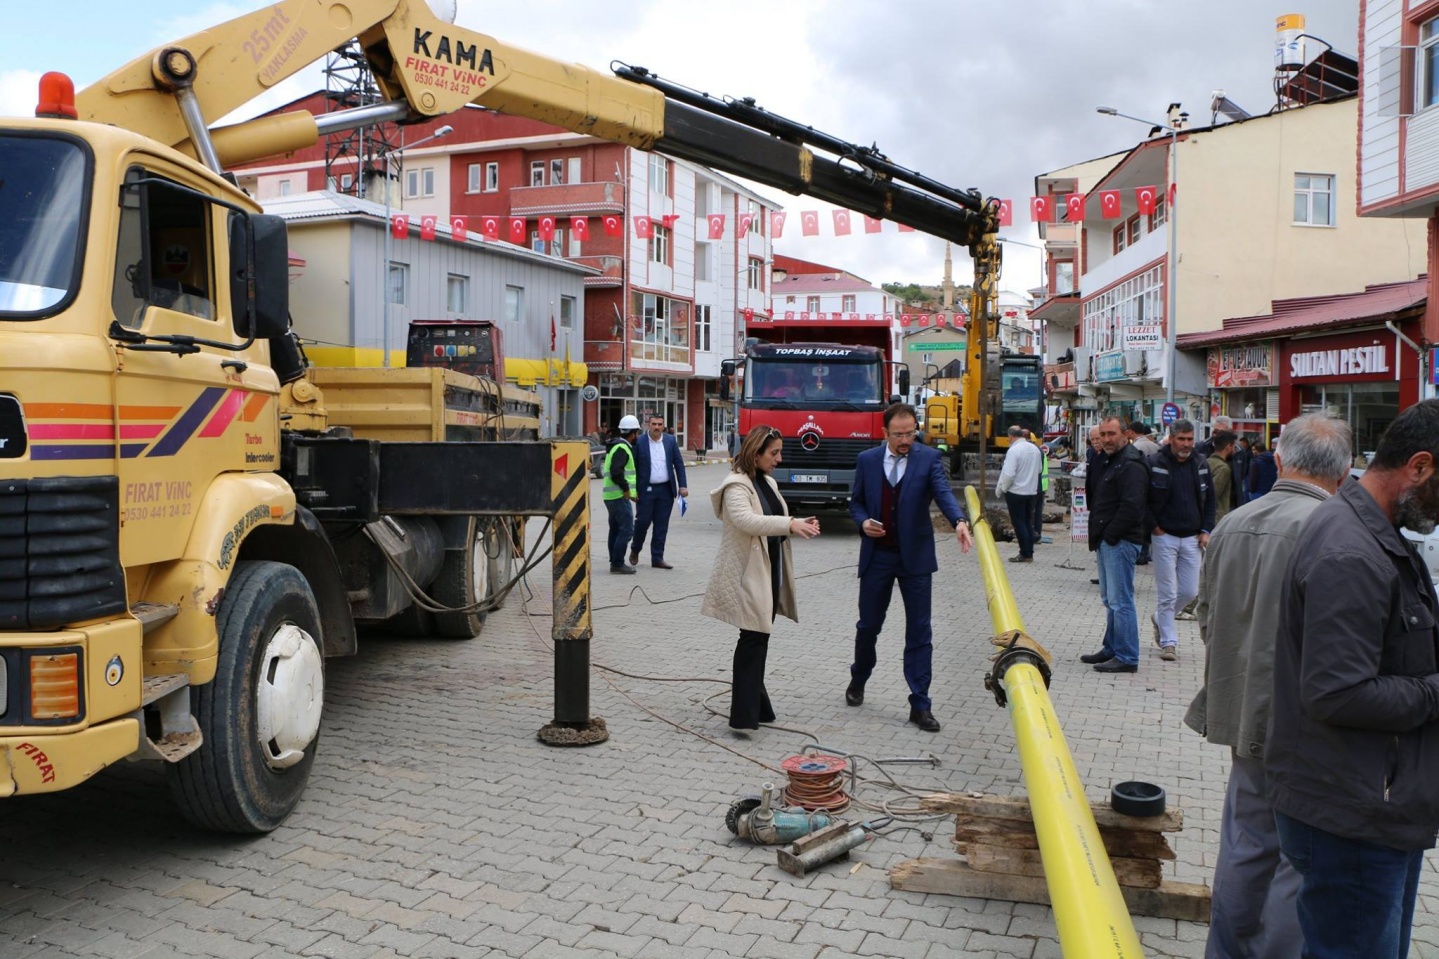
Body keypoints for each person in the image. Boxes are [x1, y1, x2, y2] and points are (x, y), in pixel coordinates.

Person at [1268, 399, 1439, 958]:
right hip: (1353, 816)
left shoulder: (1376, 535)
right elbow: (1338, 692)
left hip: (1371, 806)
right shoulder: (1352, 550)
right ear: (1419, 467)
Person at [1185, 413, 1352, 959]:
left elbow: (1207, 619)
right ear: (1346, 474)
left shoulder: (1234, 523)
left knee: (1245, 845)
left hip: (1241, 713)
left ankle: (1225, 951)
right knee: (1296, 862)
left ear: (1279, 460)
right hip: (1304, 725)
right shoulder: (1335, 529)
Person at [846, 402, 973, 731]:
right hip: (878, 557)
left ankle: (920, 703)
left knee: (919, 631)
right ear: (884, 433)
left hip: (915, 558)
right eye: (899, 434)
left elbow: (943, 492)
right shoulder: (868, 461)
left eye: (911, 432)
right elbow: (856, 501)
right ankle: (859, 677)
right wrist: (862, 523)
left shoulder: (929, 459)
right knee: (868, 626)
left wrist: (959, 521)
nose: (906, 439)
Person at [702, 426, 820, 731]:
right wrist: (790, 524)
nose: (779, 458)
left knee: (759, 637)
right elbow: (746, 520)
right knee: (753, 638)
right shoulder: (736, 485)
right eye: (774, 452)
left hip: (768, 569)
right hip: (747, 574)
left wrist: (798, 522)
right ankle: (743, 716)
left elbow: (774, 515)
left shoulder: (765, 480)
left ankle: (759, 708)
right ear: (755, 454)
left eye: (780, 451)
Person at [1080, 415, 1149, 673]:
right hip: (1107, 539)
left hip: (1119, 541)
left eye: (1112, 434)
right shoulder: (1111, 460)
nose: (1107, 439)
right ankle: (1111, 647)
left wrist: (1110, 535)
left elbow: (1132, 506)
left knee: (1121, 601)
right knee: (1110, 599)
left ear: (1126, 434)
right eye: (1103, 435)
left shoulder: (1131, 464)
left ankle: (1127, 656)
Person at [1144, 419, 1215, 662]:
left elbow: (1210, 501)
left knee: (1189, 591)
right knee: (1168, 593)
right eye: (1181, 439)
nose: (1186, 444)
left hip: (1193, 537)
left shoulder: (1200, 463)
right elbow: (1144, 499)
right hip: (1164, 536)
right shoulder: (1155, 462)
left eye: (1189, 439)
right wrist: (1154, 527)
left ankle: (1159, 618)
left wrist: (1206, 529)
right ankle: (1169, 642)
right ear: (1171, 438)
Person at [629, 414, 689, 570]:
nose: (656, 427)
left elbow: (679, 464)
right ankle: (635, 549)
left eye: (659, 424)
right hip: (645, 490)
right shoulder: (640, 442)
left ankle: (657, 558)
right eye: (654, 424)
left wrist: (683, 485)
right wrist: (632, 490)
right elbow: (632, 467)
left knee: (661, 525)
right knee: (642, 522)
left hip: (665, 490)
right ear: (648, 425)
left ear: (663, 425)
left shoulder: (670, 441)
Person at [602, 415, 642, 574]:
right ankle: (617, 563)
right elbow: (616, 473)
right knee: (626, 530)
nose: (637, 436)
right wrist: (626, 490)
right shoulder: (622, 448)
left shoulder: (615, 446)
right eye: (637, 433)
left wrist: (632, 493)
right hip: (618, 496)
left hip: (611, 496)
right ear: (632, 433)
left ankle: (614, 560)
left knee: (615, 529)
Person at [996, 425, 1042, 563]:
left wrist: (1003, 488)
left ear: (1011, 436)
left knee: (1019, 523)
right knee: (1028, 522)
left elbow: (1008, 474)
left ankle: (1024, 553)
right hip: (1031, 491)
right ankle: (1029, 552)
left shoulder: (1014, 450)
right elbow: (1039, 469)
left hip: (1016, 492)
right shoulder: (1035, 449)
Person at [1207, 429, 1238, 525]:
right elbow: (1213, 496)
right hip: (1217, 520)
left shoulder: (1206, 462)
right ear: (1228, 447)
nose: (1235, 450)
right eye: (1234, 446)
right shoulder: (1223, 468)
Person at [1231, 434, 1254, 505]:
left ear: (1246, 443)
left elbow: (1245, 466)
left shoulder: (1245, 453)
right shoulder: (1243, 452)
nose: (1240, 445)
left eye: (1242, 443)